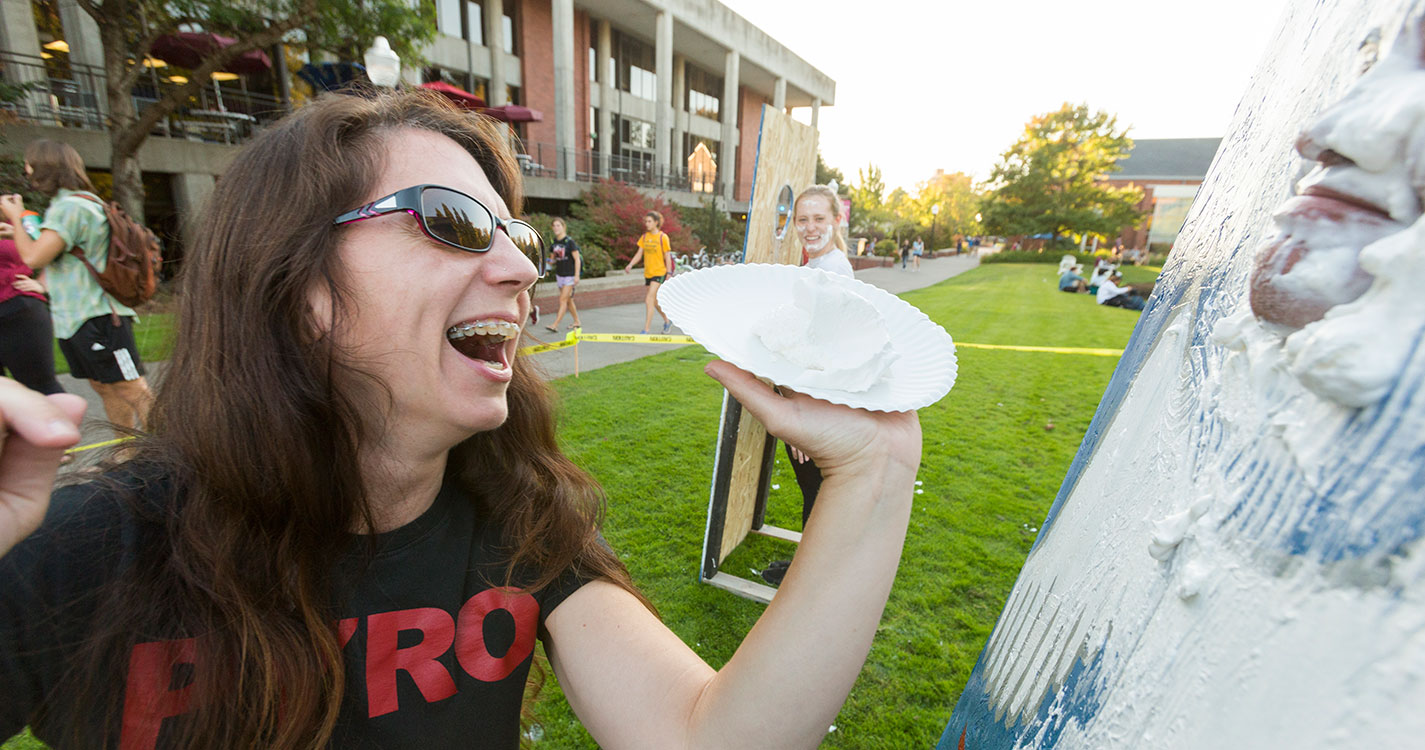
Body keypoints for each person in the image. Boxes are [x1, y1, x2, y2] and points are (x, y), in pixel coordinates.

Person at [0, 89, 923, 749]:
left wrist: (873, 476)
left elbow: (710, 738)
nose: (522, 270)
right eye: (450, 221)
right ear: (295, 284)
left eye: (516, 236)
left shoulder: (520, 526)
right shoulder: (84, 546)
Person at [0, 139, 153, 436]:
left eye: (31, 164)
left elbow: (33, 256)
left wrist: (17, 217)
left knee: (132, 388)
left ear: (46, 167)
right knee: (105, 387)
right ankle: (127, 455)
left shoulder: (71, 207)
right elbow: (53, 253)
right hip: (76, 319)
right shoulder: (68, 206)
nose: (27, 170)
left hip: (99, 317)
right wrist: (17, 230)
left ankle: (175, 455)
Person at [760, 184, 856, 587]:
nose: (809, 227)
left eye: (819, 218)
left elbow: (824, 352)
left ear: (837, 220)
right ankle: (808, 568)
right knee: (812, 490)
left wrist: (800, 410)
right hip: (805, 401)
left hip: (813, 405)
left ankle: (808, 580)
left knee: (816, 492)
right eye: (803, 219)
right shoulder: (816, 267)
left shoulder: (832, 272)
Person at [0, 221, 64, 395]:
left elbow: (60, 251)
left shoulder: (21, 219)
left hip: (18, 312)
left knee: (41, 387)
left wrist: (42, 284)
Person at [624, 210, 673, 334]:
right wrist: (630, 264)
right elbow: (639, 254)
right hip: (648, 273)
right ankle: (667, 320)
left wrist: (669, 272)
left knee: (649, 299)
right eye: (646, 221)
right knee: (655, 302)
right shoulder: (645, 237)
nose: (647, 224)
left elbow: (667, 256)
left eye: (649, 221)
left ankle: (646, 329)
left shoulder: (663, 237)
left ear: (656, 223)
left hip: (659, 272)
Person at [544, 217, 582, 332]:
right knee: (568, 300)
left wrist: (576, 275)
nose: (556, 228)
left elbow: (577, 259)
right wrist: (546, 269)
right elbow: (553, 260)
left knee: (562, 300)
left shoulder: (569, 242)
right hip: (559, 275)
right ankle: (577, 321)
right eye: (554, 226)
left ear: (563, 227)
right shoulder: (554, 243)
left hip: (569, 275)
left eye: (558, 225)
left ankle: (555, 325)